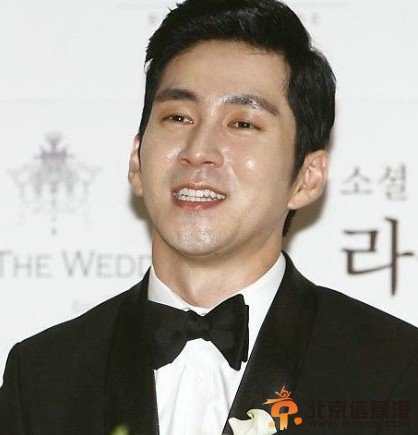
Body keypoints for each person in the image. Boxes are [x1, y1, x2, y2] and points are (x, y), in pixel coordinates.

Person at [1, 0, 417, 434]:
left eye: (243, 124)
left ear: (307, 177)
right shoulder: (42, 375)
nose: (199, 150)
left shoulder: (394, 370)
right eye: (178, 117)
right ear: (136, 160)